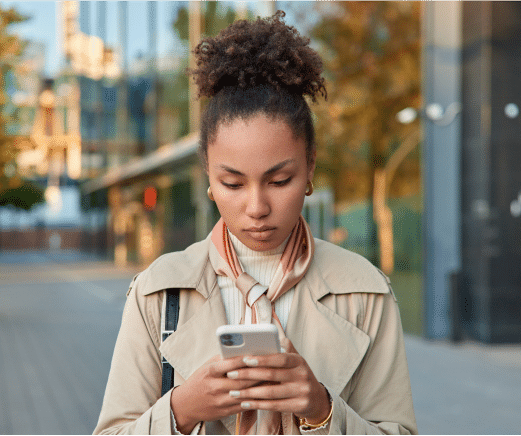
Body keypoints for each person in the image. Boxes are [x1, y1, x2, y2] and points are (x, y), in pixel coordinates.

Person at [94, 11, 417, 436]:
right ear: (208, 179)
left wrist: (322, 411)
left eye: (279, 180)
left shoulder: (364, 291)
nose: (257, 206)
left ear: (310, 169)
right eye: (232, 183)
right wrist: (181, 410)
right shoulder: (159, 290)